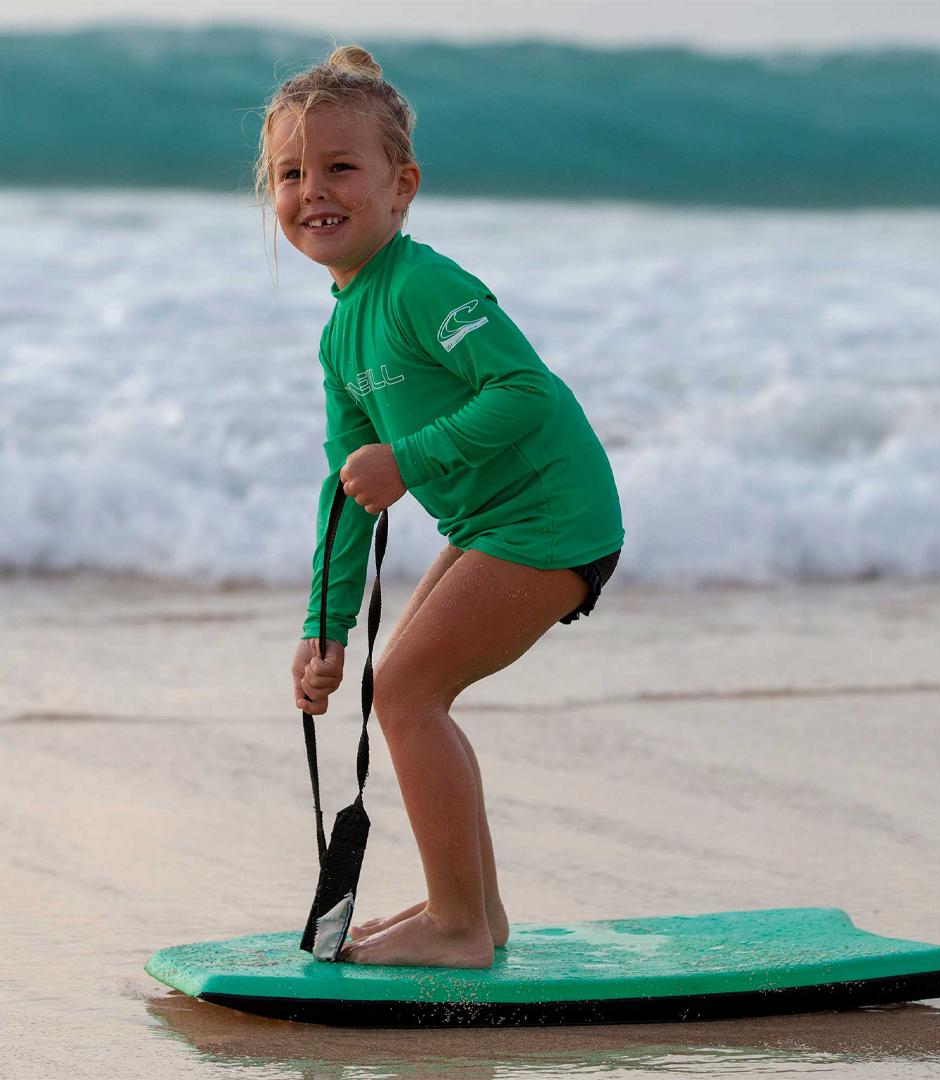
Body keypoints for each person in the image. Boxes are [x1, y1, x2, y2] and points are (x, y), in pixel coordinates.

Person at [255, 45, 624, 969]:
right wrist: (324, 626)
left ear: (402, 186)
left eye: (340, 167)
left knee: (408, 692)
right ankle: (476, 914)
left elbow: (525, 391)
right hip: (493, 523)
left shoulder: (423, 285)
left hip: (550, 515)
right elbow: (348, 489)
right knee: (403, 687)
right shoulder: (341, 332)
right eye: (290, 174)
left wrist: (410, 460)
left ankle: (457, 923)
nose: (313, 190)